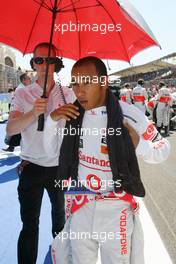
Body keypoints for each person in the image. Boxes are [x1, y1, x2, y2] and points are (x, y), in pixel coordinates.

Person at [43, 56, 170, 264]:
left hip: (116, 211)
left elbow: (163, 149)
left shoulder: (128, 114)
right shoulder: (71, 115)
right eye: (75, 83)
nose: (79, 90)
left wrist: (140, 144)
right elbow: (51, 152)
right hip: (80, 206)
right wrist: (51, 120)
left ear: (103, 82)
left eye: (86, 82)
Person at [6, 42, 75, 264]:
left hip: (59, 168)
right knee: (29, 225)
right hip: (31, 168)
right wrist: (33, 113)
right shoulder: (22, 93)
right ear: (33, 63)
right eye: (39, 60)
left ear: (58, 64)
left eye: (50, 60)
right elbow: (10, 129)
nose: (44, 65)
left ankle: (61, 257)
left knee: (60, 221)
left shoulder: (68, 94)